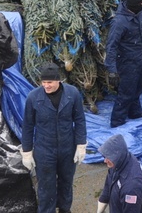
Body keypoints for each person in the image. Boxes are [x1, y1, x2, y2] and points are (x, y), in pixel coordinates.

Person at [20, 62, 87, 213]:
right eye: (43, 82)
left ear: (58, 80)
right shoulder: (33, 98)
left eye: (49, 82)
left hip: (67, 149)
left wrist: (81, 145)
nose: (46, 86)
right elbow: (28, 126)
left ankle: (64, 209)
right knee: (46, 187)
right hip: (44, 150)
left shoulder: (72, 94)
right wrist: (27, 152)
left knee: (66, 183)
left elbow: (80, 120)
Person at [105, 0, 142, 128]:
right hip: (127, 62)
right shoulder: (119, 22)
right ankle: (117, 122)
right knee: (126, 93)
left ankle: (135, 113)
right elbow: (111, 46)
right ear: (135, 5)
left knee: (139, 87)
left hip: (141, 58)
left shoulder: (141, 13)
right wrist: (112, 70)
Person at [96, 134, 142, 213]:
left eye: (108, 158)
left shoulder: (132, 187)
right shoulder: (117, 163)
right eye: (105, 157)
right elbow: (108, 184)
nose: (105, 161)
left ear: (117, 157)